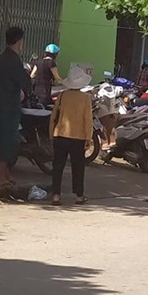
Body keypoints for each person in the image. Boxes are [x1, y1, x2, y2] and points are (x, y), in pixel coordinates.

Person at [49, 65, 94, 206]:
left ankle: (56, 195)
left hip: (60, 134)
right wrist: (88, 138)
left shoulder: (62, 96)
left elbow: (53, 116)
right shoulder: (86, 98)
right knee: (78, 167)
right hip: (78, 137)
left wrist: (51, 133)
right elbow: (88, 120)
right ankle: (79, 196)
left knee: (58, 167)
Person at [0, 26, 30, 187]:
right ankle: (0, 175)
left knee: (8, 138)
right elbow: (24, 81)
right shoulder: (14, 60)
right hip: (9, 104)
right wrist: (30, 76)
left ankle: (6, 172)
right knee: (7, 139)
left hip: (2, 102)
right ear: (18, 41)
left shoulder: (2, 58)